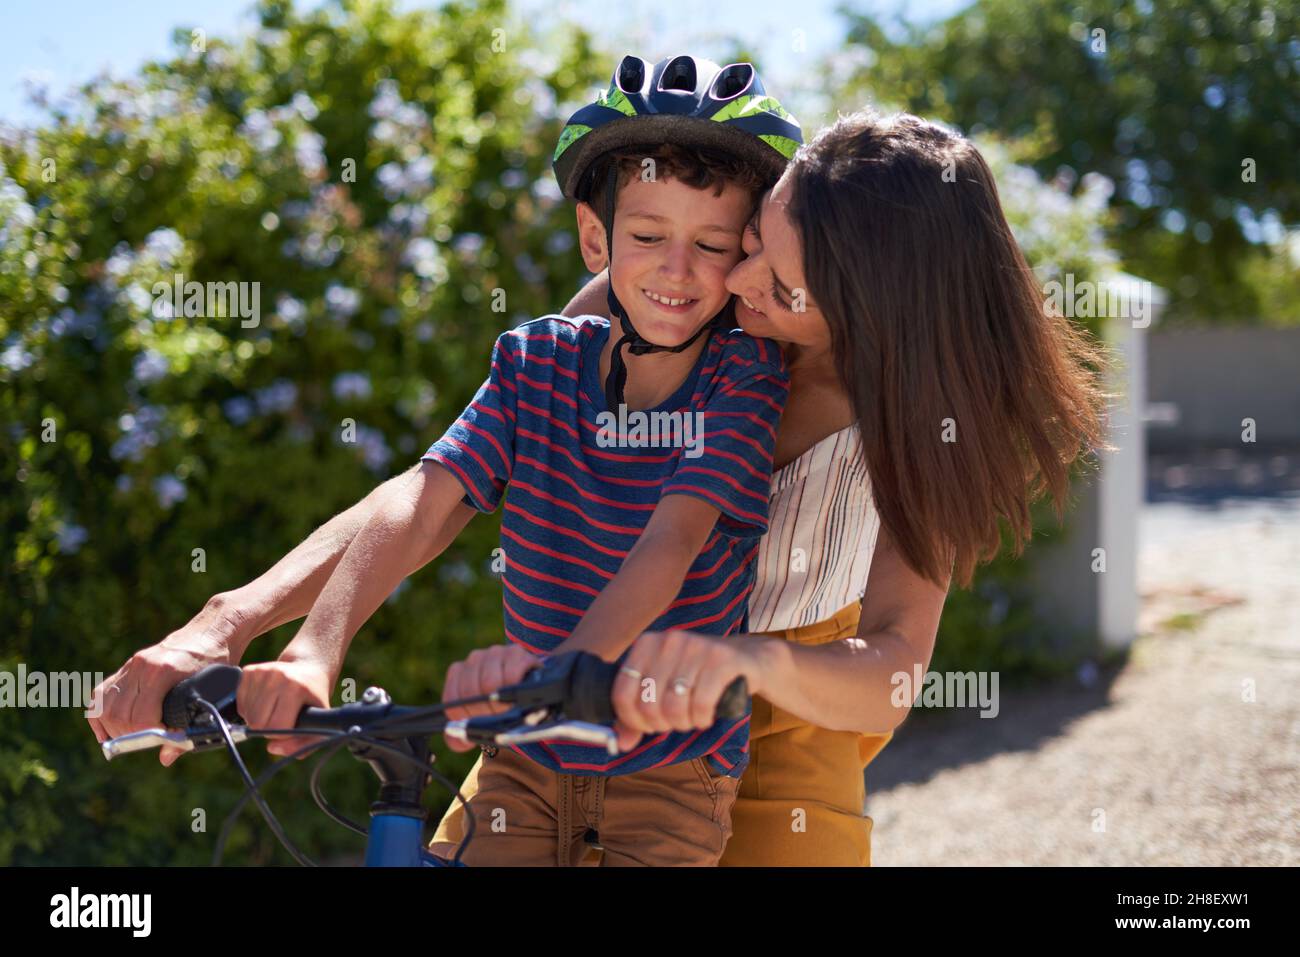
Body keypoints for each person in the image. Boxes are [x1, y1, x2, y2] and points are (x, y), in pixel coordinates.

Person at [89, 54, 803, 867]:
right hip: (523, 761)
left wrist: (560, 671)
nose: (677, 270)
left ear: (746, 250)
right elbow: (422, 502)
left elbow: (671, 542)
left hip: (668, 768)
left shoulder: (740, 379)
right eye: (647, 236)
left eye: (711, 244)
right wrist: (312, 650)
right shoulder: (534, 364)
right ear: (594, 236)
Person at [556, 109, 1111, 865]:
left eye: (784, 288)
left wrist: (757, 662)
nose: (741, 278)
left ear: (875, 318)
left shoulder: (920, 428)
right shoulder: (672, 295)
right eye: (755, 239)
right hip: (601, 690)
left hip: (786, 734)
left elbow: (893, 666)